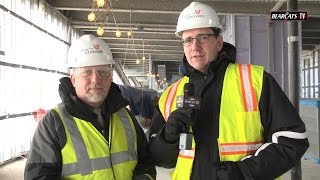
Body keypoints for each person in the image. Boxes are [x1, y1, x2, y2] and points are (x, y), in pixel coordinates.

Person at [148, 2, 309, 180]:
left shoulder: (255, 80)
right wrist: (168, 136)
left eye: (203, 37)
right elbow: (159, 159)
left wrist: (245, 171)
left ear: (218, 42)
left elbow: (293, 140)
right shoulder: (170, 96)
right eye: (188, 40)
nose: (195, 46)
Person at [24, 34, 156, 180]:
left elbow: (146, 162)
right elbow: (38, 176)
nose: (95, 80)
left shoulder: (126, 116)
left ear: (110, 78)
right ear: (73, 79)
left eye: (103, 72)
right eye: (87, 72)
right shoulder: (54, 123)